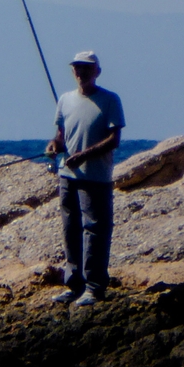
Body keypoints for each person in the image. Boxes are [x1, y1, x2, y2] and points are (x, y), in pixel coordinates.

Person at [45, 50, 125, 306]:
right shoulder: (65, 100)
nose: (81, 73)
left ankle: (94, 287)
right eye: (78, 68)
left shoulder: (110, 99)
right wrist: (54, 146)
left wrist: (83, 155)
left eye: (87, 68)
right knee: (70, 230)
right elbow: (60, 135)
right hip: (67, 175)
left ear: (97, 72)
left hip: (96, 177)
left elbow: (114, 140)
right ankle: (73, 284)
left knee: (95, 230)